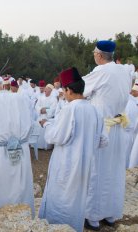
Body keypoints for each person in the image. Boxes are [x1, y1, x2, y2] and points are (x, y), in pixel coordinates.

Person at [38, 67, 107, 232]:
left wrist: (46, 124)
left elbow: (55, 137)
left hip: (66, 166)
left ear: (68, 90)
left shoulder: (70, 109)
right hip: (85, 167)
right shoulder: (95, 110)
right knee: (77, 201)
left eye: (64, 90)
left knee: (61, 201)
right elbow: (103, 140)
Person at [83, 40, 132, 230]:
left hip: (104, 128)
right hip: (118, 126)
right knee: (114, 171)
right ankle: (111, 214)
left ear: (99, 55)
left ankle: (93, 217)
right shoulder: (123, 71)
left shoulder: (101, 72)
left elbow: (81, 88)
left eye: (94, 53)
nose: (94, 55)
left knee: (98, 171)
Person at [0, 74, 34, 227]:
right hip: (21, 150)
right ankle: (24, 223)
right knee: (20, 187)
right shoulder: (22, 99)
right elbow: (31, 124)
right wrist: (21, 142)